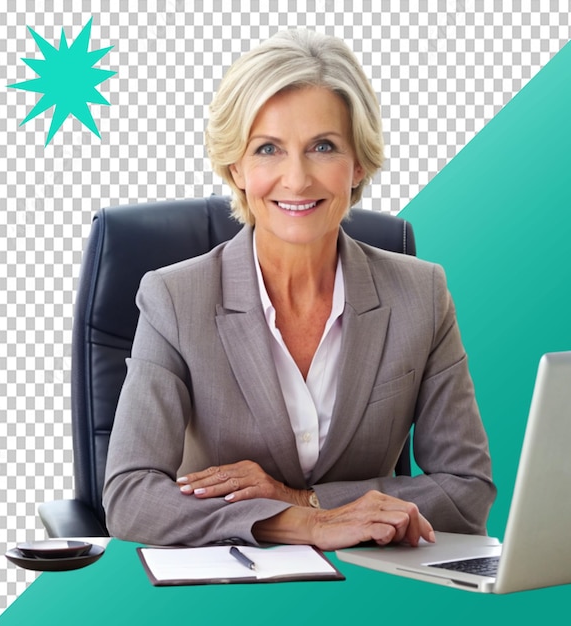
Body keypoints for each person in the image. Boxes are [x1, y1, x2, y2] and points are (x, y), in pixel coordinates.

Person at [103, 29, 495, 550]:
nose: (296, 178)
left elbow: (467, 493)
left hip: (369, 584)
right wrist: (297, 524)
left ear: (358, 165)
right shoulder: (174, 299)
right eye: (268, 149)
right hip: (231, 588)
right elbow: (130, 496)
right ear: (236, 168)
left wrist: (305, 499)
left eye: (323, 147)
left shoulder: (420, 295)